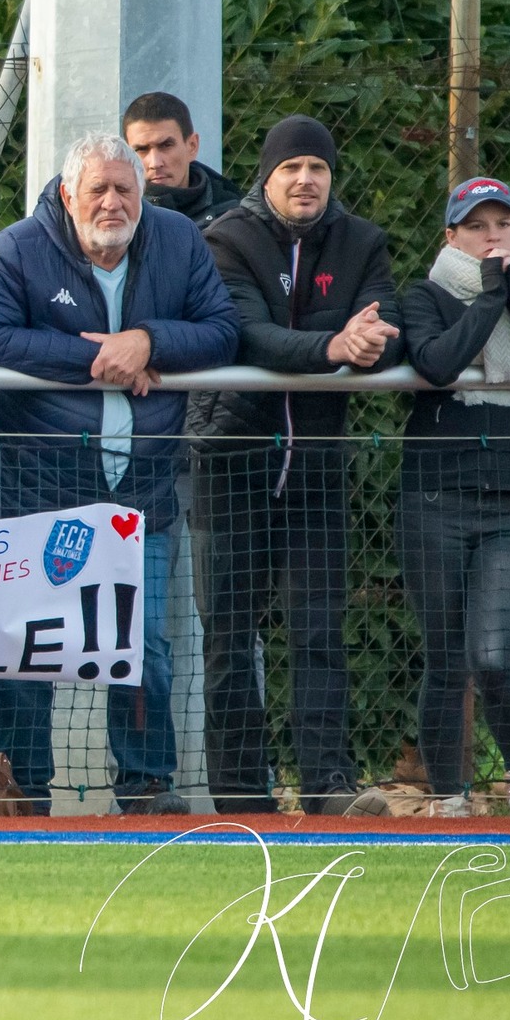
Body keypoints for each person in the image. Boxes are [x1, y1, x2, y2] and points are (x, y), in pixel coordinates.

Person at [0, 132, 239, 816]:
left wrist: (149, 340)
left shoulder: (177, 241)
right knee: (24, 653)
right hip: (35, 494)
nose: (113, 202)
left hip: (139, 494)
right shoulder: (17, 247)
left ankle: (147, 787)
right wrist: (97, 358)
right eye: (99, 190)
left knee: (145, 649)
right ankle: (22, 790)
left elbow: (224, 329)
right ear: (66, 195)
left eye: (126, 189)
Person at [189, 115, 402, 816]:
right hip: (231, 464)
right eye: (291, 168)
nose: (305, 179)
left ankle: (328, 786)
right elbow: (251, 334)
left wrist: (362, 341)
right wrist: (335, 343)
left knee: (318, 632)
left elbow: (387, 326)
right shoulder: (226, 238)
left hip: (314, 467)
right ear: (267, 176)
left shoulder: (364, 241)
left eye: (317, 167)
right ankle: (242, 795)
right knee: (227, 636)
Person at [399, 177, 510, 818]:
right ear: (452, 236)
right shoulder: (422, 296)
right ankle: (450, 795)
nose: (492, 236)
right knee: (446, 658)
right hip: (433, 496)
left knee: (494, 654)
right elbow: (438, 364)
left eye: (503, 223)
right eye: (477, 226)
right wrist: (486, 298)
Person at [122, 91, 242, 229]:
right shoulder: (115, 218)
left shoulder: (232, 218)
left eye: (166, 145)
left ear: (192, 146)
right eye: (141, 149)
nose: (155, 163)